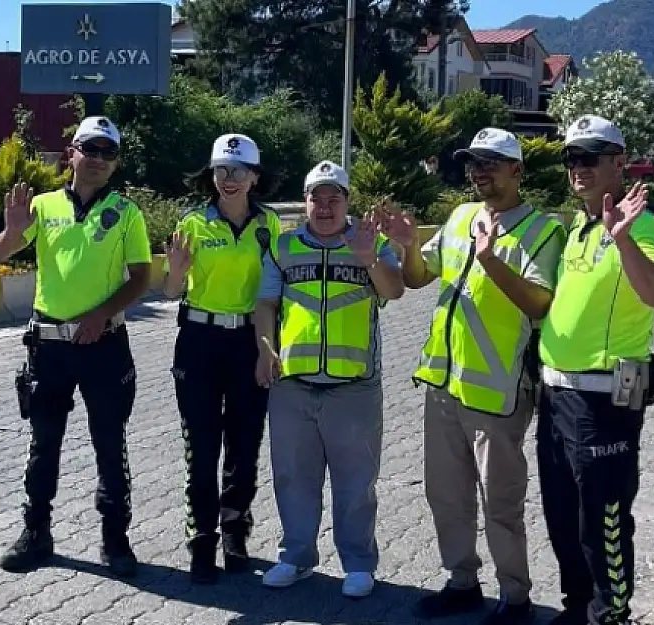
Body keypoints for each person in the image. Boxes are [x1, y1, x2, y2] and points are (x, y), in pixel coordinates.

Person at [384, 128, 565, 625]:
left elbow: (540, 302)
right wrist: (407, 248)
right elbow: (422, 277)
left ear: (517, 171)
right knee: (445, 495)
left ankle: (515, 598)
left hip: (497, 391)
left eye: (492, 163)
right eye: (474, 164)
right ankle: (461, 582)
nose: (480, 172)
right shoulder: (462, 216)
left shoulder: (542, 230)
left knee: (501, 503)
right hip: (443, 386)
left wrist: (490, 260)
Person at [0, 115, 151, 578]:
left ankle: (116, 542)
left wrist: (102, 313)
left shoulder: (127, 213)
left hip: (104, 346)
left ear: (115, 163)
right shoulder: (40, 206)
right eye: (90, 149)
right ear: (72, 153)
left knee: (109, 442)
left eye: (108, 152)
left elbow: (141, 277)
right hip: (49, 347)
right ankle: (35, 533)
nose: (98, 159)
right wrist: (15, 231)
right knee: (43, 443)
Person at [536, 114, 654, 625]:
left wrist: (624, 238)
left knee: (604, 521)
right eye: (572, 158)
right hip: (555, 398)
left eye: (590, 157)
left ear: (619, 163)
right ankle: (578, 608)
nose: (579, 168)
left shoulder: (647, 226)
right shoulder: (576, 227)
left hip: (603, 402)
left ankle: (610, 615)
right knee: (562, 516)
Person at [253, 160, 405, 598]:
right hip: (292, 384)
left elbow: (394, 290)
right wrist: (265, 351)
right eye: (315, 198)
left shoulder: (369, 241)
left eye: (333, 198)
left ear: (346, 202)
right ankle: (296, 557)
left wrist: (368, 258)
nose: (324, 207)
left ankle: (358, 564)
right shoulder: (282, 247)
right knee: (293, 477)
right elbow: (265, 305)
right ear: (305, 203)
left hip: (353, 386)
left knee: (356, 481)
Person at [162, 133, 282, 584]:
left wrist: (269, 351)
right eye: (220, 170)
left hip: (249, 343)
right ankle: (201, 539)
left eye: (238, 171)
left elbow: (275, 295)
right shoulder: (192, 223)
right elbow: (171, 291)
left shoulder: (270, 226)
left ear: (254, 177)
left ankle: (235, 531)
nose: (228, 179)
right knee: (202, 445)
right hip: (198, 341)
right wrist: (174, 272)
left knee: (245, 444)